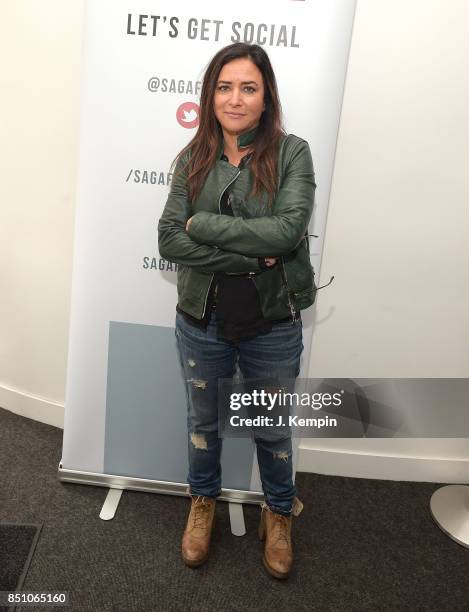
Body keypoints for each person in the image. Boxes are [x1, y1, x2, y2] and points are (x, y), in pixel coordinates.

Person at [158, 42, 316, 579]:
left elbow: (287, 231)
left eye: (248, 87)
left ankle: (278, 513)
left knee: (270, 427)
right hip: (202, 320)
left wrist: (202, 227)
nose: (235, 98)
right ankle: (201, 504)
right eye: (224, 87)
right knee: (203, 423)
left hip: (271, 321)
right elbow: (168, 239)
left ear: (266, 95)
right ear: (210, 95)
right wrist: (251, 250)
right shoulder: (192, 157)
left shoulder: (293, 153)